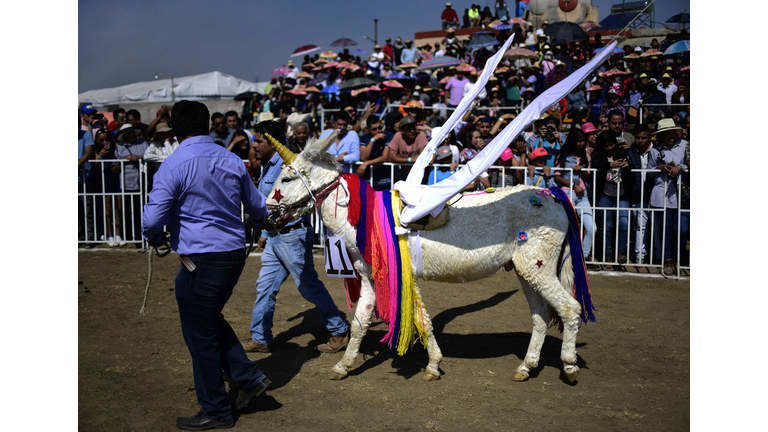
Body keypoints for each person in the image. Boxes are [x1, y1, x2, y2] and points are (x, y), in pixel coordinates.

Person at [141, 100, 272, 430]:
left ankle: (216, 408)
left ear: (175, 127)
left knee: (199, 332)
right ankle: (248, 376)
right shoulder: (231, 159)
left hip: (201, 259)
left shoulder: (174, 164)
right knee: (207, 319)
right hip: (233, 253)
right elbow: (257, 207)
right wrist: (263, 221)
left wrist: (154, 235)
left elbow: (153, 218)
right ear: (207, 124)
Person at [245, 120, 351, 354]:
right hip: (275, 237)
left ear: (273, 143)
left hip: (292, 235)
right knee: (265, 286)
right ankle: (260, 337)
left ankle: (339, 330)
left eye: (259, 141)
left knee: (308, 286)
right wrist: (265, 232)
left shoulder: (290, 165)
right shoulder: (268, 164)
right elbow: (270, 205)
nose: (254, 145)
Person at [647, 119, 688, 276]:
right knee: (666, 229)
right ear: (661, 135)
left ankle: (680, 257)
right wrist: (660, 167)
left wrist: (680, 167)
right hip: (661, 193)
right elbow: (648, 171)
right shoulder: (654, 150)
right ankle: (668, 260)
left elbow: (689, 164)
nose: (671, 136)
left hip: (681, 194)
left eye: (673, 132)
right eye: (667, 133)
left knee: (682, 229)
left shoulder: (684, 145)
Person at [553, 128, 595, 265]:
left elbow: (589, 178)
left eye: (583, 140)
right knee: (565, 227)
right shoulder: (563, 156)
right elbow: (557, 177)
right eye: (579, 141)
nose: (582, 143)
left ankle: (584, 258)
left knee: (591, 228)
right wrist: (573, 185)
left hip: (583, 195)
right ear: (573, 141)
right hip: (568, 193)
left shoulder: (586, 157)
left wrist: (582, 169)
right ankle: (561, 257)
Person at [591, 131, 631, 264]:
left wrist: (628, 166)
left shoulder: (622, 152)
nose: (609, 148)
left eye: (611, 144)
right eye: (606, 145)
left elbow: (633, 164)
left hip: (622, 194)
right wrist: (610, 165)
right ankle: (607, 253)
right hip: (605, 194)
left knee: (624, 223)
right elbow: (596, 165)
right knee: (606, 225)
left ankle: (620, 253)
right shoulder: (597, 154)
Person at [114, 123, 149, 246]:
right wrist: (124, 160)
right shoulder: (119, 148)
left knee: (142, 211)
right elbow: (114, 165)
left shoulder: (143, 143)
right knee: (128, 211)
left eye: (132, 132)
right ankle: (130, 236)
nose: (131, 135)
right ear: (124, 135)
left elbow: (149, 157)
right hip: (126, 183)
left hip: (142, 183)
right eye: (128, 133)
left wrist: (139, 158)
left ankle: (142, 237)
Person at [625, 124, 654, 265]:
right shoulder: (630, 152)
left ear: (649, 138)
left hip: (655, 195)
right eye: (638, 138)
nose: (640, 140)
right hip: (637, 194)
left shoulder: (657, 151)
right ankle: (639, 256)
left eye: (643, 138)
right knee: (640, 226)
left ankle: (656, 256)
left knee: (656, 227)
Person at [94, 129, 125, 247]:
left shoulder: (115, 149)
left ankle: (118, 235)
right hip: (104, 182)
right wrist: (100, 156)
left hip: (115, 180)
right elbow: (96, 167)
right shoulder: (96, 151)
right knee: (108, 210)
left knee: (118, 208)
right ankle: (109, 235)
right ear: (97, 141)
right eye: (101, 140)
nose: (105, 142)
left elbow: (119, 164)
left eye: (107, 139)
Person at [357, 116, 395, 191]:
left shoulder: (389, 136)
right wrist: (372, 140)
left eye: (379, 128)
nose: (378, 131)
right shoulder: (363, 138)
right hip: (368, 181)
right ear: (367, 129)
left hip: (385, 180)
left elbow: (385, 157)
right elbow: (363, 157)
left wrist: (366, 163)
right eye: (374, 129)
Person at [387, 115, 428, 181]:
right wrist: (410, 160)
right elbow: (391, 157)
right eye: (409, 129)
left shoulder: (420, 135)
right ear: (402, 131)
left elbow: (422, 157)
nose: (412, 131)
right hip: (405, 177)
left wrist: (399, 157)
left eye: (413, 128)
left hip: (420, 177)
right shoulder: (398, 135)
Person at [78, 115, 96, 246]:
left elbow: (89, 152)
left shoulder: (86, 135)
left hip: (84, 176)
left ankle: (89, 237)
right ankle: (78, 237)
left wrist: (78, 163)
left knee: (87, 209)